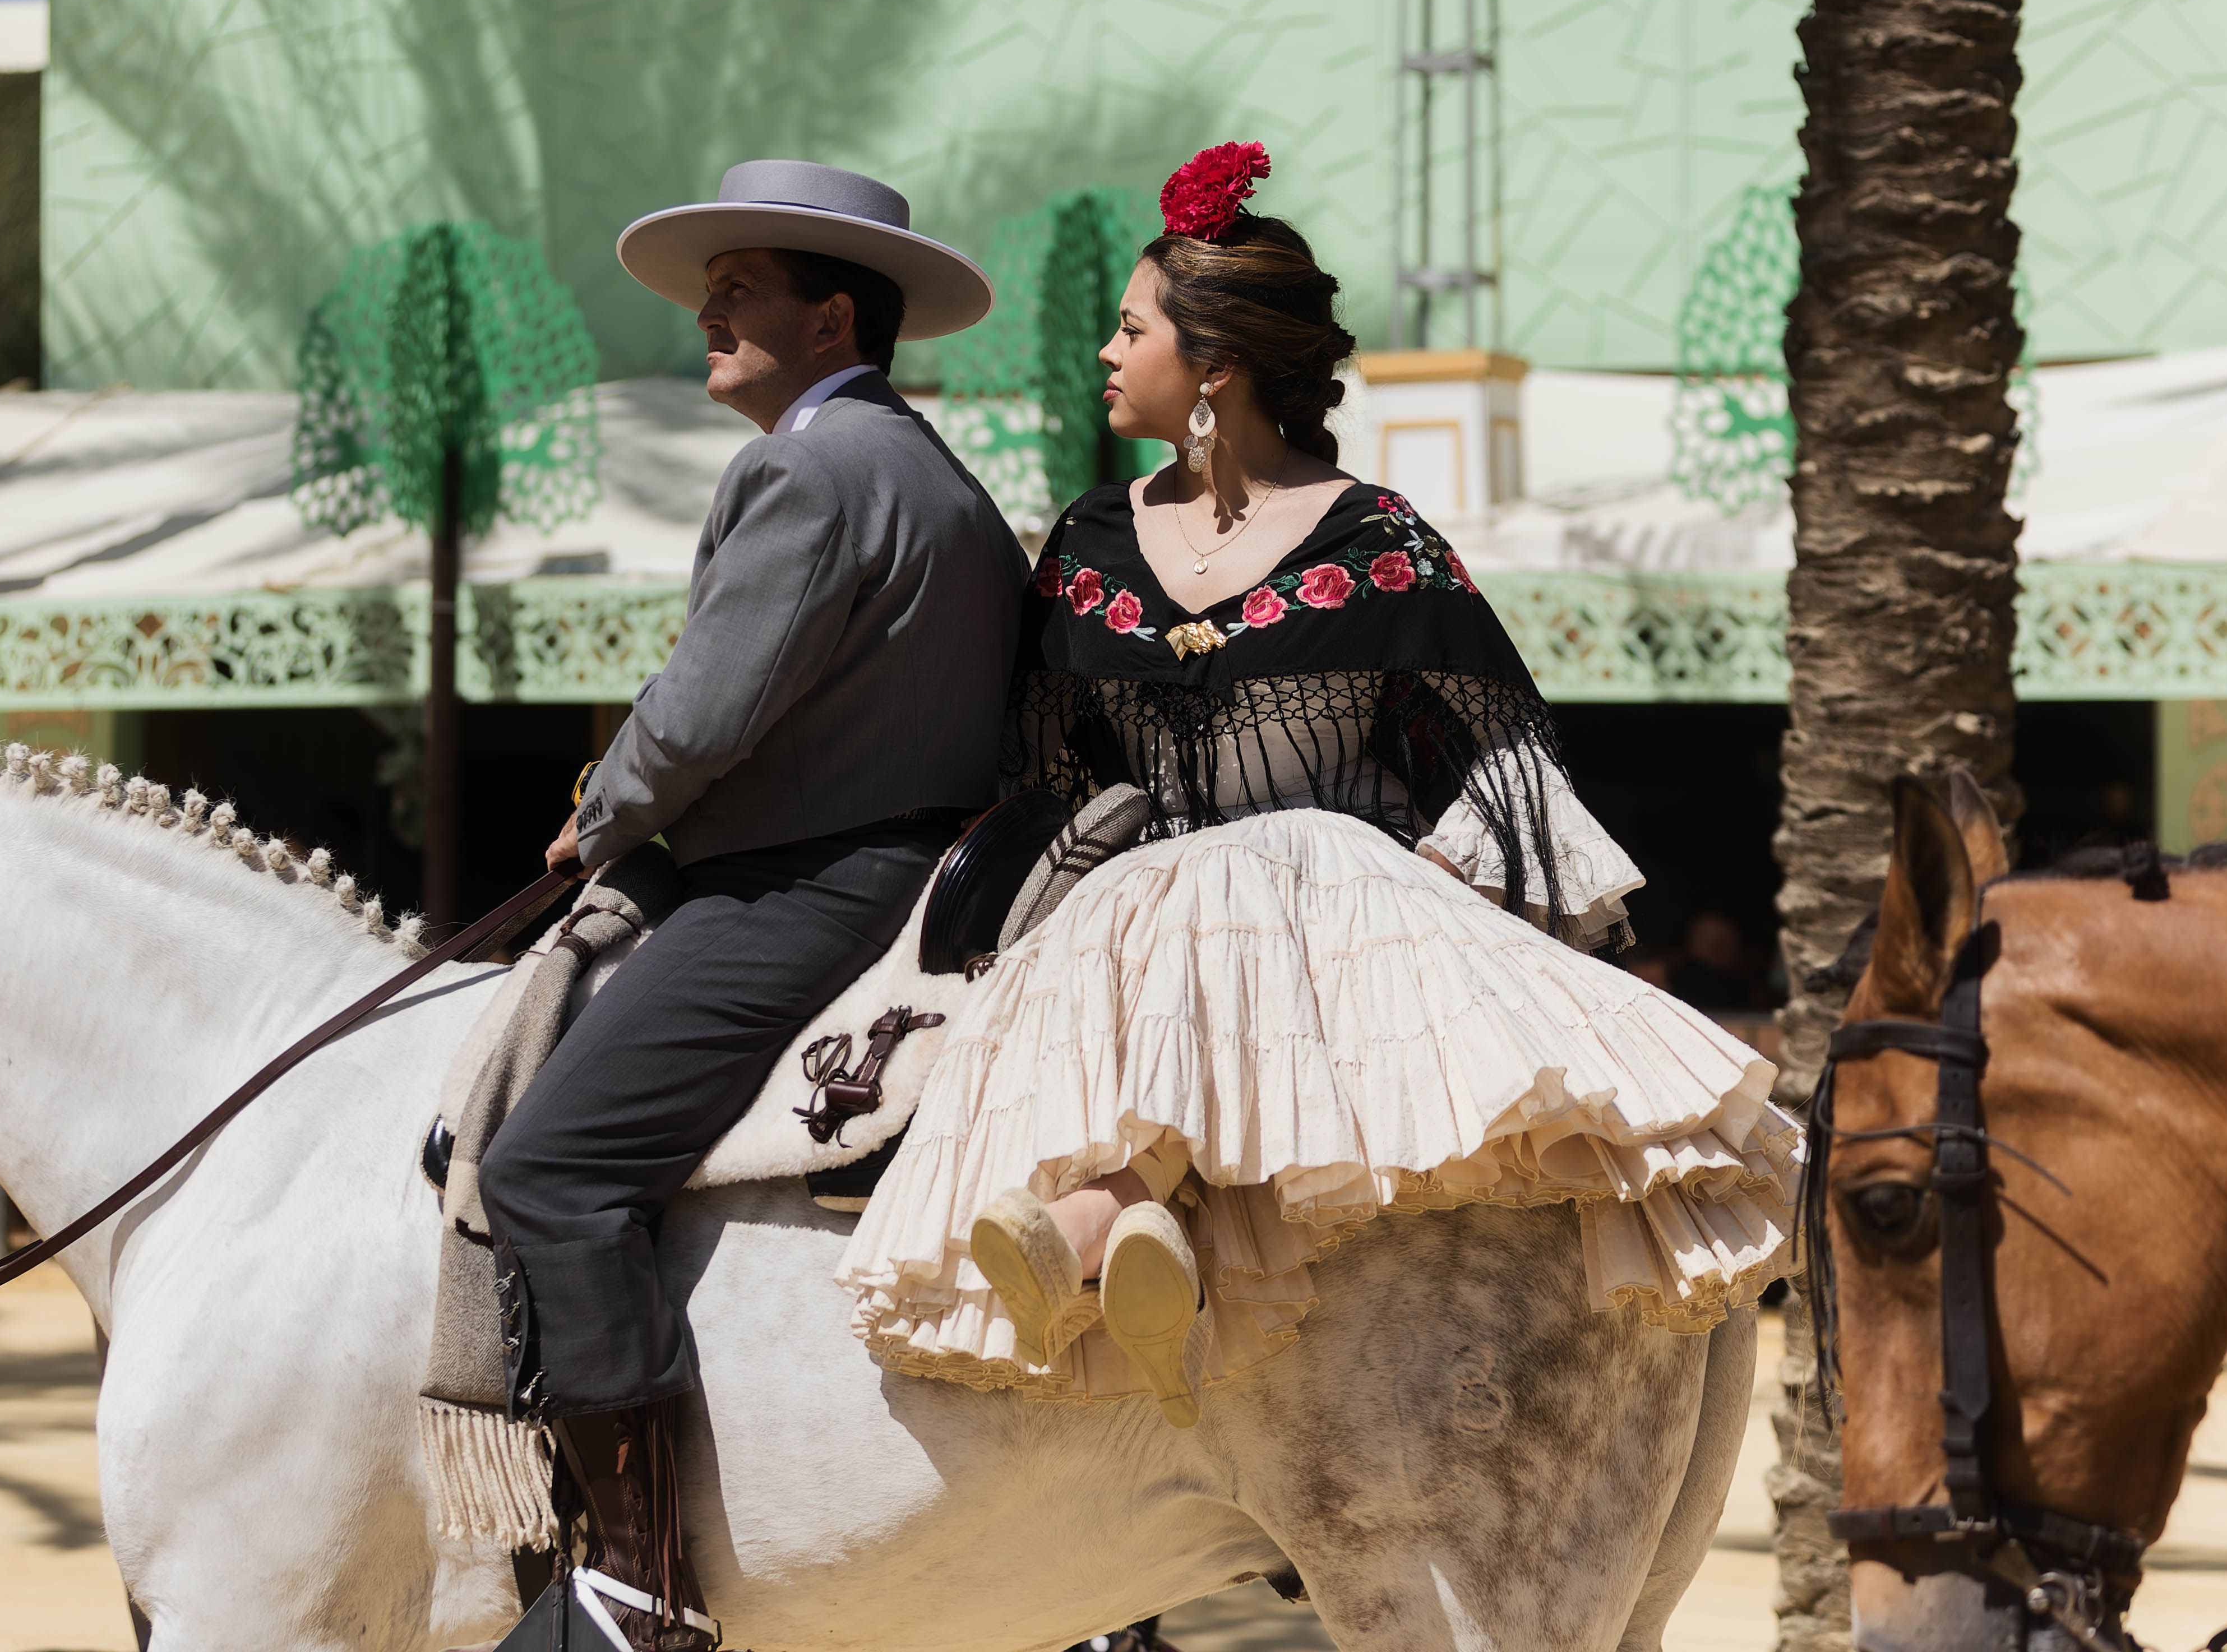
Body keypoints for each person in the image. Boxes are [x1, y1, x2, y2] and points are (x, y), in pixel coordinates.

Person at [837, 142, 1801, 1424]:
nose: (1108, 354)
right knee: (1157, 897)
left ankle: (1107, 1215)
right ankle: (1132, 1224)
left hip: (1331, 925)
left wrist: (1431, 914)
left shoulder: (1378, 543)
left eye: (1132, 331)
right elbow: (1044, 778)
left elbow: (1497, 772)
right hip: (1141, 933)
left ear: (1213, 367)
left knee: (1264, 864)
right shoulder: (1084, 545)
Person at [480, 160, 1027, 1652]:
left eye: (741, 289)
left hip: (806, 882)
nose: (708, 312)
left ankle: (643, 1582)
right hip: (881, 862)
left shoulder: (810, 467)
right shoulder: (928, 471)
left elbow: (711, 709)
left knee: (549, 1171)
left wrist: (599, 810)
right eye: (710, 290)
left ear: (833, 312)